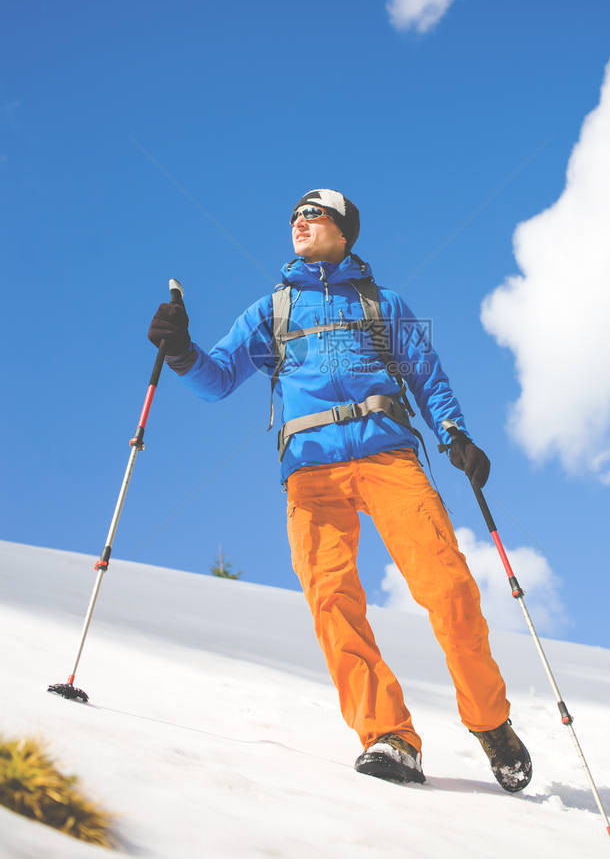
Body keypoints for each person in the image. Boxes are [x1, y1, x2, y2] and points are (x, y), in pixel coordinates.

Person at [148, 188, 532, 790]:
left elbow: (427, 376)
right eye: (296, 215)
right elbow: (217, 379)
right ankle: (389, 736)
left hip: (389, 457)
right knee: (333, 602)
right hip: (310, 471)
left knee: (450, 587)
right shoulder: (270, 311)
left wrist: (456, 434)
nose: (301, 222)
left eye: (315, 213)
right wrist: (180, 351)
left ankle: (490, 722)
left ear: (344, 231)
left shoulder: (382, 303)